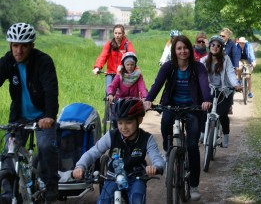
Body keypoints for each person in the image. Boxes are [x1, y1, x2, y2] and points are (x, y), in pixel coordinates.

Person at [143, 35, 212, 201]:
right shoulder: (168, 67)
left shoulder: (198, 68)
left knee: (192, 146)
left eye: (185, 47)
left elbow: (204, 85)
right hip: (172, 106)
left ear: (190, 48)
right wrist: (148, 99)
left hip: (193, 107)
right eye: (179, 48)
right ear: (174, 51)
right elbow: (157, 84)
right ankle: (168, 152)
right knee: (165, 122)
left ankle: (194, 185)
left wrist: (207, 100)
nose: (183, 51)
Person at [0, 23, 59, 202]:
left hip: (43, 117)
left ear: (32, 46)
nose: (19, 50)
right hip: (19, 117)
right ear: (10, 45)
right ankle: (7, 193)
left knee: (45, 146)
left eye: (24, 45)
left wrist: (49, 116)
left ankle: (51, 185)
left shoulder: (43, 61)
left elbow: (50, 90)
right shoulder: (8, 61)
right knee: (8, 153)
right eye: (15, 45)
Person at [72, 98, 165, 203]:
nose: (123, 127)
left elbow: (157, 157)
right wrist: (80, 166)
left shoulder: (147, 138)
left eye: (128, 122)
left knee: (137, 199)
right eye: (120, 123)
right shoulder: (111, 136)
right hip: (113, 177)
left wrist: (156, 167)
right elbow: (93, 152)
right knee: (104, 201)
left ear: (139, 120)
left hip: (136, 177)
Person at [200, 36, 242, 148]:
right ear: (209, 46)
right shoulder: (203, 60)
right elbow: (199, 74)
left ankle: (226, 136)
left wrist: (236, 85)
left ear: (221, 48)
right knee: (204, 110)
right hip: (209, 90)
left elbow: (231, 73)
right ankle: (202, 133)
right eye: (213, 45)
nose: (215, 47)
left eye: (218, 45)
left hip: (225, 90)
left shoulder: (226, 59)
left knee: (223, 114)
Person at [106, 52, 148, 128]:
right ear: (124, 65)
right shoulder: (119, 75)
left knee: (135, 120)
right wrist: (110, 94)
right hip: (120, 101)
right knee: (115, 119)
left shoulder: (138, 75)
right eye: (127, 65)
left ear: (135, 65)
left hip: (133, 101)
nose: (130, 67)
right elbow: (113, 85)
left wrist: (144, 97)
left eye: (132, 64)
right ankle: (116, 132)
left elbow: (142, 87)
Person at [92, 24, 136, 90]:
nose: (117, 35)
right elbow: (103, 56)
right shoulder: (110, 44)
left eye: (119, 33)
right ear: (113, 33)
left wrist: (125, 68)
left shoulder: (127, 44)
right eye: (115, 33)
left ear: (123, 33)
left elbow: (132, 57)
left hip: (123, 73)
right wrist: (97, 67)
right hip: (110, 73)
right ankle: (108, 100)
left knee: (122, 94)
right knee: (108, 91)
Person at [219, 28, 241, 114]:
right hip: (218, 69)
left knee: (230, 89)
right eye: (220, 35)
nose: (221, 37)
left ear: (228, 36)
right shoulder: (217, 44)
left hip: (229, 70)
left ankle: (229, 105)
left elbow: (235, 56)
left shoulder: (232, 45)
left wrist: (236, 67)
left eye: (223, 36)